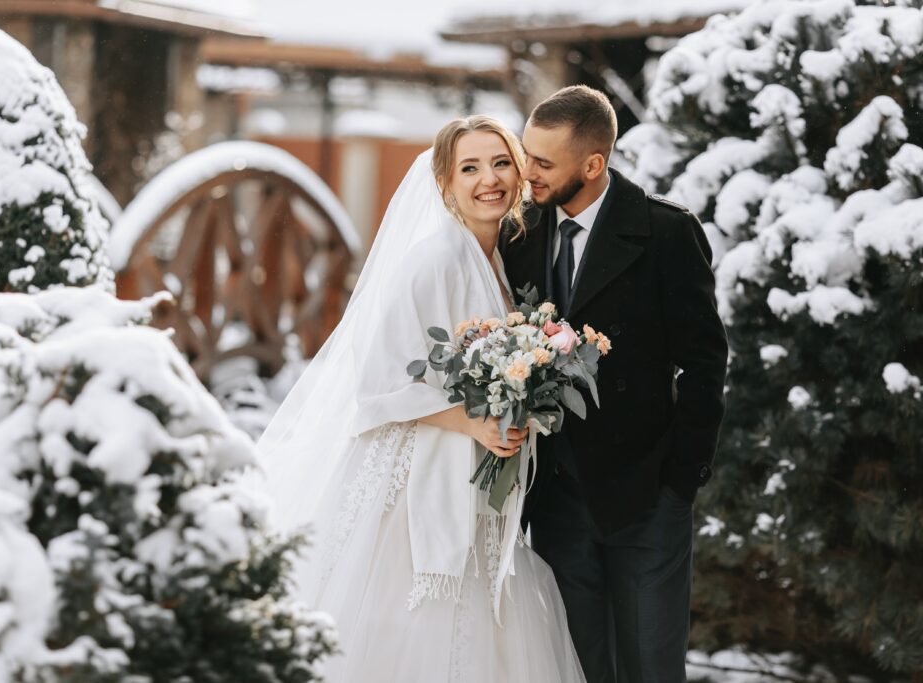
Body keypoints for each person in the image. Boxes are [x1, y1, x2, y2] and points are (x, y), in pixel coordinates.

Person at [258, 116, 585, 683]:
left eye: (502, 162)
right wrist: (472, 423)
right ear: (444, 184)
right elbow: (375, 387)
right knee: (410, 633)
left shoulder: (496, 261)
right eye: (470, 168)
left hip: (476, 481)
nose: (490, 179)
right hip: (415, 487)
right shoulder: (433, 261)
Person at [501, 85, 729, 683]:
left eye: (543, 162)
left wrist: (680, 480)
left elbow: (705, 364)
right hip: (555, 500)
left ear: (593, 164)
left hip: (646, 496)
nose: (527, 172)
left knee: (651, 668)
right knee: (576, 667)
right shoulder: (519, 235)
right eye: (526, 154)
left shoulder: (666, 233)